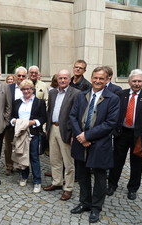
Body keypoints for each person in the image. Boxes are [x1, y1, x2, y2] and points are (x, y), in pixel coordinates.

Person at [69, 66, 120, 223]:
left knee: (99, 177)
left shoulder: (113, 98)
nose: (98, 81)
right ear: (91, 78)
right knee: (82, 176)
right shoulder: (82, 95)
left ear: (107, 80)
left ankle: (96, 208)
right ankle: (85, 202)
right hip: (80, 142)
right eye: (95, 78)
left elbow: (110, 123)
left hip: (100, 144)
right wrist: (80, 136)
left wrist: (88, 136)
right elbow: (72, 116)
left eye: (101, 78)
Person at [107, 69, 142, 200]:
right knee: (117, 160)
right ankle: (112, 185)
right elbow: (114, 113)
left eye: (139, 81)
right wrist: (114, 130)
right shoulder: (120, 94)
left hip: (140, 136)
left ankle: (133, 188)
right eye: (134, 81)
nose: (137, 84)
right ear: (129, 81)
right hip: (122, 133)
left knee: (137, 163)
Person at [43, 69, 80, 201]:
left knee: (68, 162)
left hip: (67, 131)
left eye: (65, 78)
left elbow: (77, 115)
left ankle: (68, 188)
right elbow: (49, 111)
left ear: (70, 79)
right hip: (53, 128)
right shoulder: (52, 92)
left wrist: (73, 134)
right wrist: (48, 127)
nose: (62, 80)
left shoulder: (76, 94)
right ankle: (57, 182)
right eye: (60, 78)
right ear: (57, 80)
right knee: (54, 158)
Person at [11, 79, 46, 193]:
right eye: (23, 89)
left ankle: (37, 181)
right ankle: (24, 176)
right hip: (20, 134)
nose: (26, 91)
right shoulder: (17, 102)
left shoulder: (39, 102)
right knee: (22, 155)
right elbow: (12, 117)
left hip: (33, 133)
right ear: (21, 90)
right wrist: (14, 121)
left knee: (34, 157)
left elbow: (43, 118)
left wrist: (33, 122)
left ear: (32, 89)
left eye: (28, 89)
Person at [4, 67, 27, 176]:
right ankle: (9, 166)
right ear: (15, 76)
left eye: (23, 76)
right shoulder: (9, 87)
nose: (21, 78)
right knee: (8, 145)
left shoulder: (29, 88)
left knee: (21, 145)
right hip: (10, 122)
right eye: (19, 75)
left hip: (23, 123)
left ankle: (20, 165)